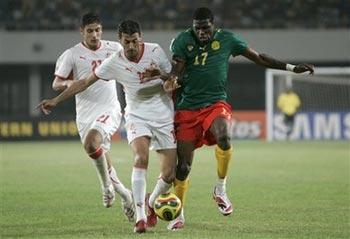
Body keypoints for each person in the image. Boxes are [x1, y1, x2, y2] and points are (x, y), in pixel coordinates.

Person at [144, 7, 315, 230]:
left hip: (215, 102)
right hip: (187, 108)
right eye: (198, 29)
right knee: (183, 167)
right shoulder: (182, 41)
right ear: (192, 27)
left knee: (225, 137)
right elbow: (178, 70)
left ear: (213, 25)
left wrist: (292, 68)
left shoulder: (228, 39)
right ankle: (179, 215)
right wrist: (169, 78)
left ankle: (220, 188)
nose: (202, 33)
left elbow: (259, 58)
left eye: (206, 28)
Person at [37, 20, 177, 234]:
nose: (130, 46)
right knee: (140, 158)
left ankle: (150, 202)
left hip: (163, 115)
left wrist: (162, 76)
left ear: (141, 38)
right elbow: (83, 82)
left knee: (170, 174)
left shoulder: (155, 51)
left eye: (134, 42)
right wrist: (56, 101)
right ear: (121, 41)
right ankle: (140, 218)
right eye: (127, 42)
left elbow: (172, 79)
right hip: (136, 114)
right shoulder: (113, 61)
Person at [46, 12, 135, 221]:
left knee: (92, 142)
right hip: (85, 114)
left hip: (110, 108)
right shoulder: (72, 54)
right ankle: (125, 195)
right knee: (97, 151)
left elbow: (130, 68)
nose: (94, 35)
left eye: (97, 30)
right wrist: (69, 84)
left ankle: (105, 188)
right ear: (81, 32)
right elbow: (56, 83)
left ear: (101, 30)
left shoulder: (115, 48)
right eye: (90, 31)